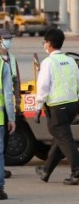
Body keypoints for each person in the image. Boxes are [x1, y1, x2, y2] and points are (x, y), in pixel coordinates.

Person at [33, 29, 79, 185]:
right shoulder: (70, 61)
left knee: (65, 140)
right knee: (61, 139)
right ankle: (46, 170)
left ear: (49, 44)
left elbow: (43, 87)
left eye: (44, 42)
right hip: (72, 106)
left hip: (57, 108)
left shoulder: (48, 62)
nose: (44, 45)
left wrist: (38, 107)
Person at [0, 29, 19, 181]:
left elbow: (16, 82)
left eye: (10, 38)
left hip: (6, 108)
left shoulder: (12, 59)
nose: (8, 41)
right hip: (3, 106)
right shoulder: (2, 64)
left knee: (5, 138)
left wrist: (17, 101)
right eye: (6, 38)